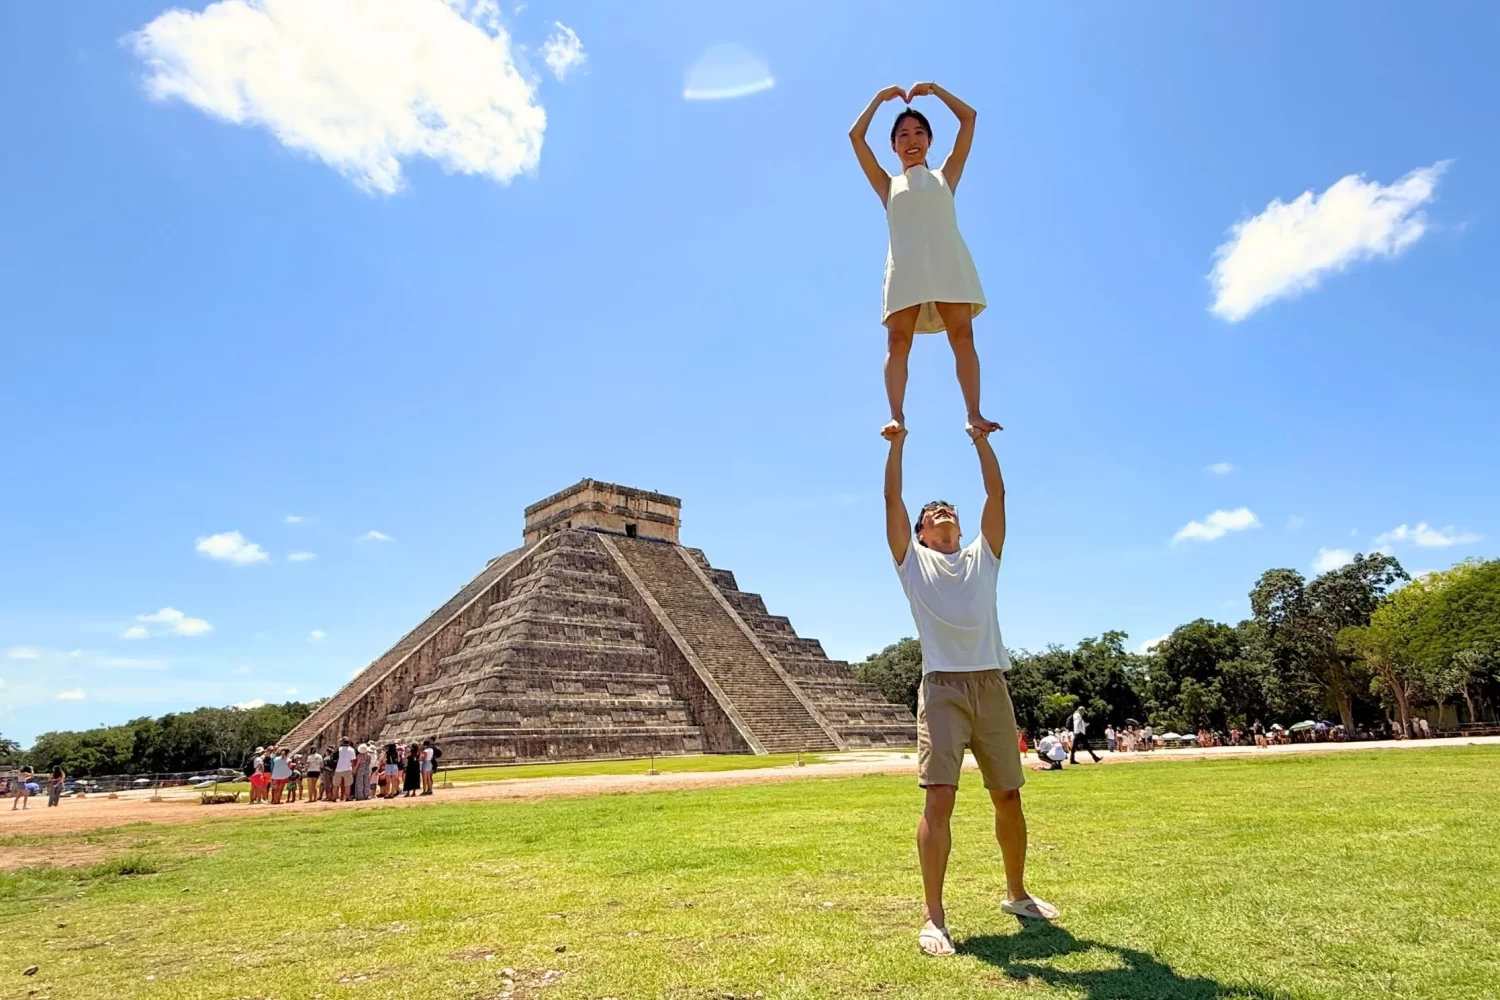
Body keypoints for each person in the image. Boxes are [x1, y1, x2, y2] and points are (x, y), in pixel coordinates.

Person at [883, 423, 1056, 958]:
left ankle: (1017, 894)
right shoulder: (913, 563)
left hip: (991, 681)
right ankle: (934, 918)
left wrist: (981, 439)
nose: (941, 511)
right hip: (941, 687)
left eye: (947, 508)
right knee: (940, 798)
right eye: (931, 512)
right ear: (919, 533)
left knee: (1008, 793)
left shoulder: (984, 556)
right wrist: (897, 444)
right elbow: (892, 497)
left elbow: (996, 494)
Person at [849, 83, 998, 441]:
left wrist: (935, 90)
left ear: (930, 140)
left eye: (919, 132)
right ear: (893, 145)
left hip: (948, 260)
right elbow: (856, 137)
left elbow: (968, 118)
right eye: (902, 134)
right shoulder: (888, 185)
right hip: (906, 266)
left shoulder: (945, 176)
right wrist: (878, 99)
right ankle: (896, 416)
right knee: (897, 341)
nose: (911, 139)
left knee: (962, 335)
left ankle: (973, 414)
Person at [332, 738, 356, 802]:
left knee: (336, 785)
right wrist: (353, 769)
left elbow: (333, 758)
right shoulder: (351, 750)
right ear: (348, 743)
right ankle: (347, 797)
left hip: (338, 769)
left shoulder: (338, 749)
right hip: (347, 768)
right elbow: (353, 760)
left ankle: (334, 797)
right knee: (347, 785)